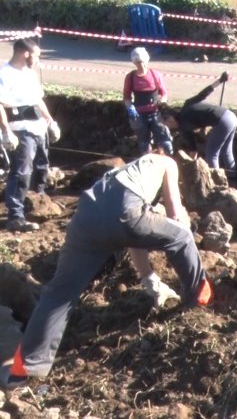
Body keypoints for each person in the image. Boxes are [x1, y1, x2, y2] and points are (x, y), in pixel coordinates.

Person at [0, 153, 212, 388]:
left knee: (59, 293)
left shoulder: (122, 174)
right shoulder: (166, 162)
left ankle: (23, 370)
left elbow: (132, 237)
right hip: (123, 209)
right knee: (181, 237)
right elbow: (174, 212)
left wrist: (150, 280)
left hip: (86, 216)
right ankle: (200, 298)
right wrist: (184, 231)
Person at [0, 39, 60, 232]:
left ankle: (37, 204)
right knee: (21, 171)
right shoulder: (4, 74)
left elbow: (38, 100)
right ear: (25, 54)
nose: (37, 60)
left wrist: (50, 121)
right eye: (36, 55)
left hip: (39, 127)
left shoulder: (30, 75)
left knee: (41, 167)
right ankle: (15, 216)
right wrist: (6, 130)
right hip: (20, 128)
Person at [161, 72, 237, 181]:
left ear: (170, 119)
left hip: (223, 122)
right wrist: (220, 81)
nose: (168, 127)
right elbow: (203, 94)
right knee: (226, 151)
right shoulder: (187, 104)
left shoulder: (183, 124)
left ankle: (216, 183)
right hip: (230, 116)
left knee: (211, 153)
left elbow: (193, 151)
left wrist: (190, 171)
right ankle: (233, 179)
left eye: (166, 124)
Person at [123, 47, 173, 155]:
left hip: (156, 113)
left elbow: (164, 93)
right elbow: (126, 97)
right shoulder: (130, 77)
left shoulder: (155, 75)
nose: (140, 65)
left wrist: (162, 104)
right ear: (134, 63)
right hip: (139, 115)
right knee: (144, 148)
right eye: (137, 63)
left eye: (142, 62)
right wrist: (130, 107)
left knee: (166, 145)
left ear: (146, 61)